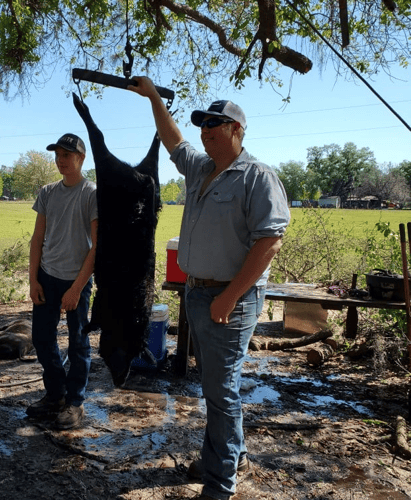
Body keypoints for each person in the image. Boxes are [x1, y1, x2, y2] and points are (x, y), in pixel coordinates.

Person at [129, 78, 290, 500]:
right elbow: (174, 141)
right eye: (202, 124)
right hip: (197, 293)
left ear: (237, 129)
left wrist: (230, 296)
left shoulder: (257, 176)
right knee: (215, 385)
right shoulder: (202, 169)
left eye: (214, 124)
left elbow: (269, 241)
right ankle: (227, 456)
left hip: (230, 299)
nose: (205, 131)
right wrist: (153, 99)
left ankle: (219, 481)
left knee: (220, 390)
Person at [26, 133, 98, 430]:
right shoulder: (47, 192)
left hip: (75, 281)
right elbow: (37, 237)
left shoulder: (91, 193)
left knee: (78, 343)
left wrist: (77, 287)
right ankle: (55, 394)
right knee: (42, 339)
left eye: (67, 155)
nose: (61, 160)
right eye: (57, 155)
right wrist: (33, 280)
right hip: (46, 276)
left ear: (81, 159)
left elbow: (97, 246)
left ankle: (75, 403)